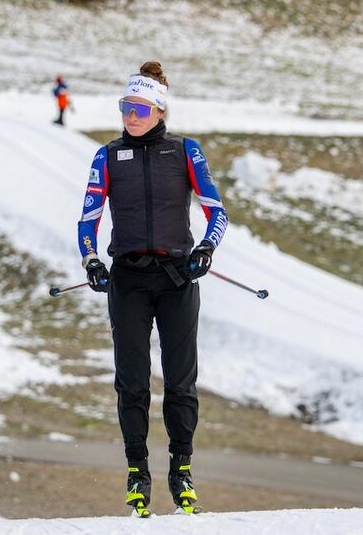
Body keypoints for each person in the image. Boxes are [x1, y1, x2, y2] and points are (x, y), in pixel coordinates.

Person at [76, 61, 228, 517]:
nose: (131, 115)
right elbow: (88, 219)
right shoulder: (107, 156)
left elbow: (216, 211)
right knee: (132, 382)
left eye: (140, 108)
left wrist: (206, 248)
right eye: (126, 107)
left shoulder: (185, 151)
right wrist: (91, 260)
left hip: (177, 278)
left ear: (160, 110)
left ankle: (181, 470)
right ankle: (136, 471)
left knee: (180, 381)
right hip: (128, 280)